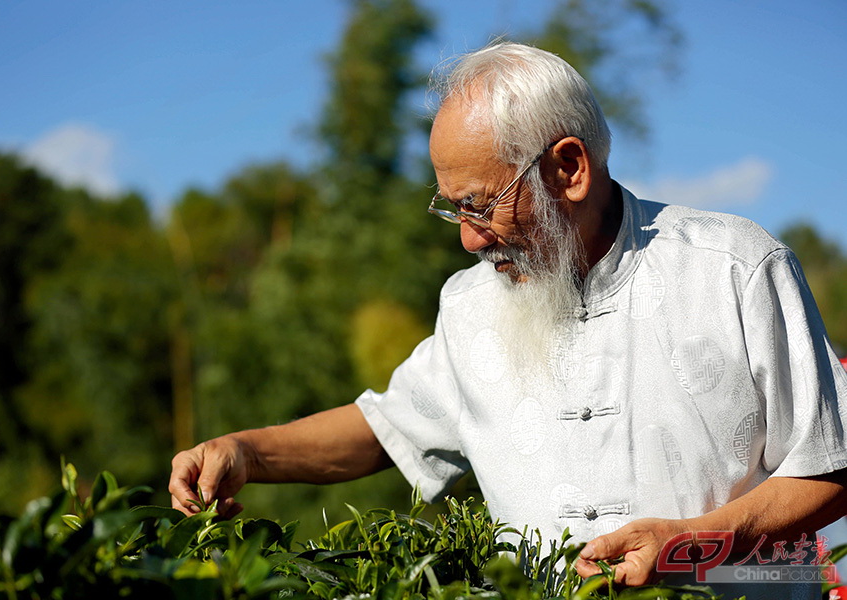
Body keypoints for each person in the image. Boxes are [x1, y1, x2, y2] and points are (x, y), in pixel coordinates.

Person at [169, 42, 847, 598]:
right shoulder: (471, 308)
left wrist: (694, 543)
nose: (468, 239)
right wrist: (247, 452)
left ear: (569, 169)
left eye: (479, 205)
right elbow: (385, 430)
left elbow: (832, 467)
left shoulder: (733, 269)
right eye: (451, 208)